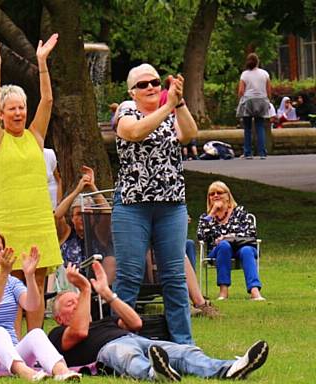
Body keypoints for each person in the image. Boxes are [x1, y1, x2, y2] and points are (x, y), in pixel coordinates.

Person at [48, 262, 269, 381]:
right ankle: (155, 374)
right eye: (70, 303)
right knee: (127, 356)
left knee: (184, 352)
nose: (77, 303)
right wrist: (85, 289)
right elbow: (79, 333)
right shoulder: (57, 335)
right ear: (59, 318)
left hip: (135, 338)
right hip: (109, 349)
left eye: (78, 299)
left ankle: (230, 369)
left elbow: (135, 324)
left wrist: (107, 294)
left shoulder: (105, 322)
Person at [114, 63, 197, 344]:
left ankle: (183, 345)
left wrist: (180, 102)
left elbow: (189, 134)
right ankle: (120, 343)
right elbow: (135, 133)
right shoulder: (126, 110)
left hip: (171, 204)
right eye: (142, 84)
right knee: (130, 276)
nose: (150, 87)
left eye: (155, 82)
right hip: (133, 204)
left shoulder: (170, 111)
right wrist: (167, 107)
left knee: (174, 277)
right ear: (131, 92)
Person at [0, 34, 63, 334]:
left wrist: (42, 63)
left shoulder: (35, 136)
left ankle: (36, 339)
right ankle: (14, 342)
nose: (18, 113)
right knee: (12, 283)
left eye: (22, 107)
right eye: (12, 108)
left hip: (38, 219)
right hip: (10, 221)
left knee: (38, 282)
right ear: (3, 115)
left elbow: (48, 100)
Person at [0, 226, 81, 382]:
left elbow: (32, 305)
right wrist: (3, 273)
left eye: (0, 249)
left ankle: (62, 372)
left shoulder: (11, 282)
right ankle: (27, 374)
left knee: (36, 333)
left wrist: (30, 276)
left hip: (9, 354)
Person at [197, 181, 265, 301]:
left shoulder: (239, 212)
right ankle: (223, 292)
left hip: (241, 248)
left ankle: (255, 292)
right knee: (224, 245)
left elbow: (251, 232)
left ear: (228, 196)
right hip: (218, 252)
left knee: (247, 250)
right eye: (212, 194)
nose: (216, 196)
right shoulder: (206, 217)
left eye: (219, 193)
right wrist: (212, 213)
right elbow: (201, 237)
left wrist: (228, 236)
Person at [54, 165, 115, 283]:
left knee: (111, 259)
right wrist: (78, 190)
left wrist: (92, 187)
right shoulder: (66, 233)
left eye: (87, 213)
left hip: (97, 282)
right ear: (72, 218)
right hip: (70, 283)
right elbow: (57, 215)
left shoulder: (99, 232)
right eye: (78, 214)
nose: (83, 218)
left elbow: (107, 212)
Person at [236, 53, 271, 159]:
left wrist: (240, 101)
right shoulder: (265, 73)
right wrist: (268, 100)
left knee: (247, 127)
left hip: (248, 100)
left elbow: (241, 91)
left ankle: (248, 152)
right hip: (261, 100)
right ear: (258, 62)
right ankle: (262, 153)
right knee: (260, 126)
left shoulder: (245, 74)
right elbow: (268, 90)